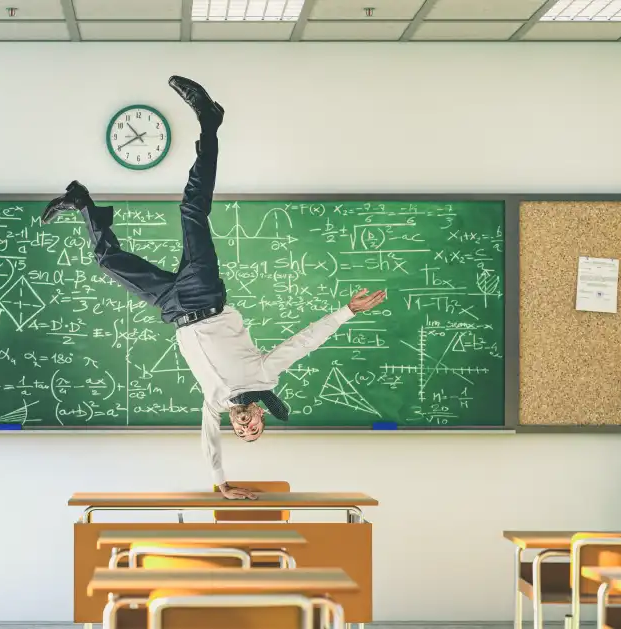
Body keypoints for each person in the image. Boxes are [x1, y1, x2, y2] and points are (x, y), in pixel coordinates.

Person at [42, 76, 386, 499]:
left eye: (244, 434)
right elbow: (304, 342)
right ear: (260, 414)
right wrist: (347, 311)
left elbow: (209, 442)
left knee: (107, 262)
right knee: (192, 208)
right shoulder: (265, 375)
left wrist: (221, 485)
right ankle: (210, 121)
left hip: (172, 308)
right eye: (255, 428)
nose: (246, 428)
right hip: (205, 295)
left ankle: (82, 202)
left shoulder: (214, 403)